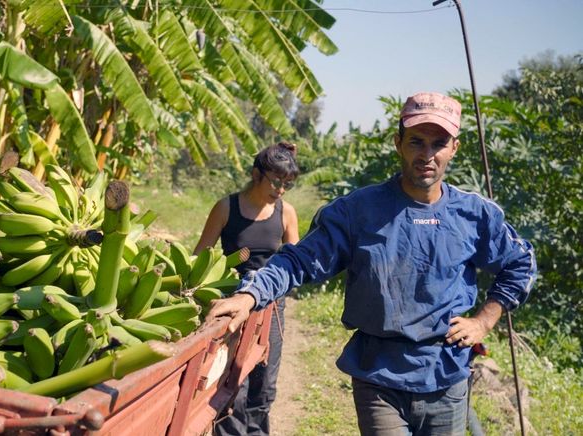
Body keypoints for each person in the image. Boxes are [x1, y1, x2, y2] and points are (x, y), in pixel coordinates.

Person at [208, 92, 536, 435]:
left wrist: (484, 321)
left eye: (438, 143)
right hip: (378, 376)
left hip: (446, 376)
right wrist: (249, 296)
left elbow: (520, 263)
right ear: (398, 143)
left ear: (454, 147)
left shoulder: (475, 214)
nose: (426, 155)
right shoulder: (358, 211)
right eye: (416, 142)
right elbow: (298, 259)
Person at [194, 141, 300, 436]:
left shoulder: (286, 213)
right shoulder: (226, 208)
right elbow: (200, 256)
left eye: (287, 184)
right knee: (229, 380)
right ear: (256, 174)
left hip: (270, 307)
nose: (280, 189)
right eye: (276, 181)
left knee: (264, 382)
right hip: (230, 305)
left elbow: (295, 261)